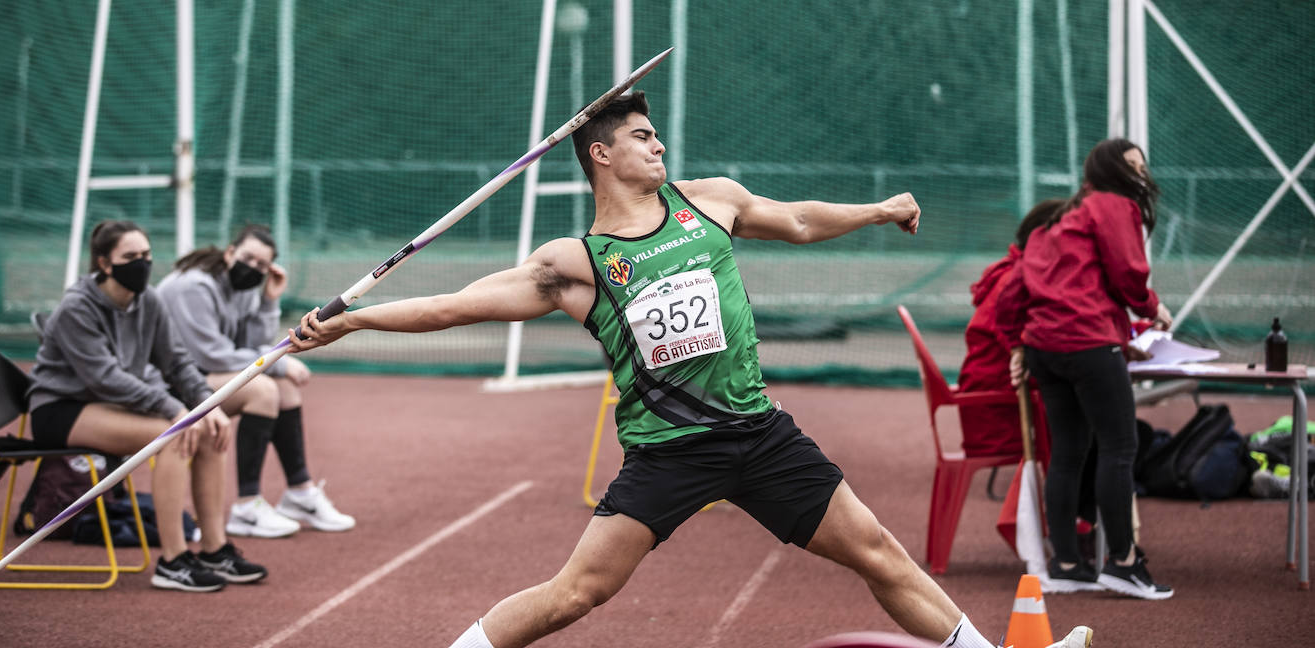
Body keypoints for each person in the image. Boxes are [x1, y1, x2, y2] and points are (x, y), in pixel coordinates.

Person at [288, 93, 1092, 648]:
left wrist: (877, 210)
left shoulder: (709, 202)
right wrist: (350, 318)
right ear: (600, 153)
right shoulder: (580, 262)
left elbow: (801, 220)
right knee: (579, 593)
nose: (659, 143)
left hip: (758, 433)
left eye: (657, 134)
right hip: (670, 452)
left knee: (878, 551)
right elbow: (456, 305)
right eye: (642, 137)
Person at [27, 220, 268, 592]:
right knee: (172, 434)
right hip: (63, 408)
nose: (141, 263)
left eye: (146, 255)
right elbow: (105, 378)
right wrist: (175, 410)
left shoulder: (149, 300)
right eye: (130, 257)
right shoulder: (77, 307)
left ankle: (214, 549)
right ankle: (172, 561)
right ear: (105, 263)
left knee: (208, 428)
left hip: (113, 404)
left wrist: (208, 404)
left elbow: (177, 362)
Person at [997, 138, 1174, 600]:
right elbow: (1128, 275)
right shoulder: (1114, 206)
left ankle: (1068, 564)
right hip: (1088, 344)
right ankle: (1123, 562)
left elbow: (1011, 297)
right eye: (1134, 165)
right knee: (1119, 447)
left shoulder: (1054, 224)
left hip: (1046, 349)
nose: (1142, 173)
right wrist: (1152, 307)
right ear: (1113, 171)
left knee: (1070, 452)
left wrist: (1019, 343)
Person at [157, 225, 355, 538]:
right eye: (248, 258)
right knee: (263, 390)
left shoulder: (245, 289)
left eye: (262, 266)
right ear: (230, 252)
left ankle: (300, 494)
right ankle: (246, 507)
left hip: (199, 376)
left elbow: (254, 345)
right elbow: (212, 355)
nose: (253, 269)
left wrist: (268, 301)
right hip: (168, 385)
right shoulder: (193, 286)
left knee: (284, 389)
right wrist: (279, 363)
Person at [956, 199, 1062, 459]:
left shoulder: (1016, 272)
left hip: (995, 399)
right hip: (997, 411)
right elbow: (1035, 352)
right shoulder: (1015, 284)